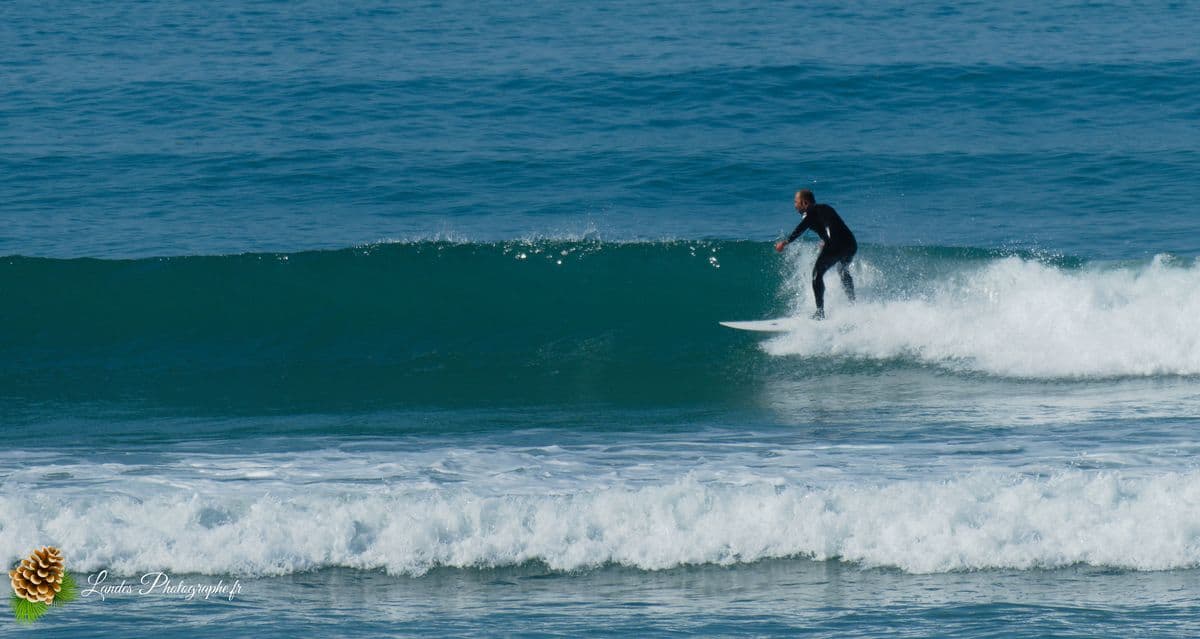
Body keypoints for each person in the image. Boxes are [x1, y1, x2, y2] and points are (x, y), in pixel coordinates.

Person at [774, 189, 856, 319]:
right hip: (850, 243)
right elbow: (832, 224)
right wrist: (826, 239)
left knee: (816, 275)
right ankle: (853, 304)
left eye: (796, 202)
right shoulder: (825, 208)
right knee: (842, 270)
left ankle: (820, 313)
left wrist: (785, 242)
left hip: (835, 245)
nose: (794, 205)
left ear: (805, 203)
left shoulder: (809, 213)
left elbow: (801, 228)